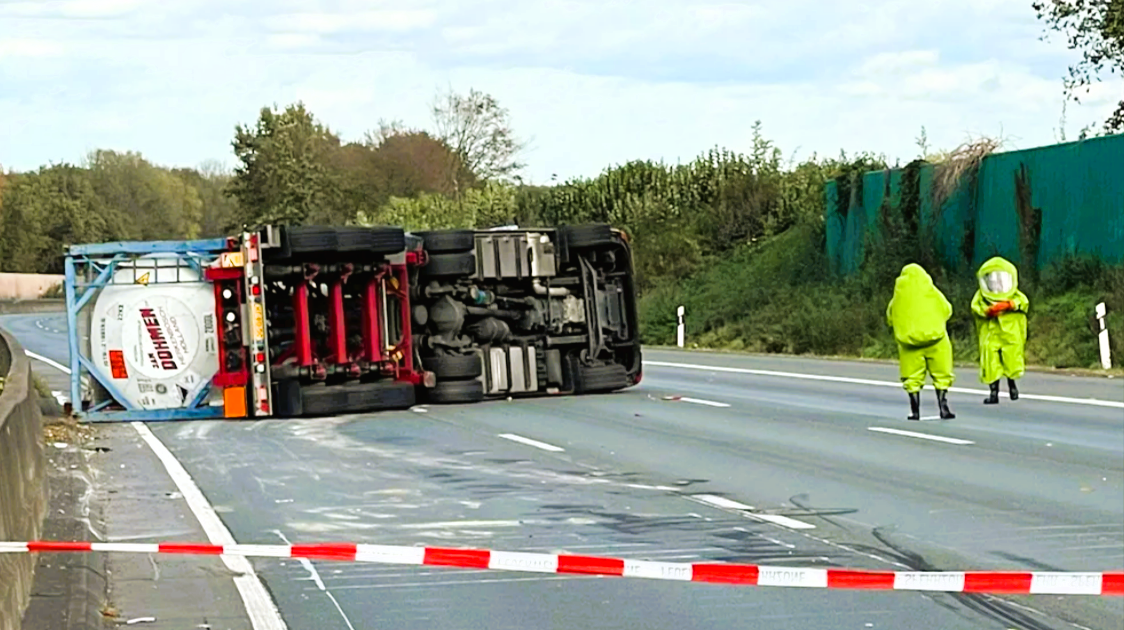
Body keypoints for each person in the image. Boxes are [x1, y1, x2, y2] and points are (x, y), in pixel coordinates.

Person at [886, 263, 956, 420]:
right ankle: (943, 406)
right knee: (942, 373)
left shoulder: (898, 297)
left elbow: (890, 318)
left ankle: (915, 411)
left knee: (912, 377)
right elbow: (947, 309)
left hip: (909, 343)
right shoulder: (932, 293)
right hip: (936, 340)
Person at [970, 256, 1029, 404]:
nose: (996, 284)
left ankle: (1012, 387)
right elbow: (975, 307)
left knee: (1012, 361)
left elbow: (1024, 302)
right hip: (990, 333)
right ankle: (993, 393)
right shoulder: (981, 297)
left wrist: (1010, 304)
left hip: (1010, 333)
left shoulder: (1015, 294)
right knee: (991, 363)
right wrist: (987, 311)